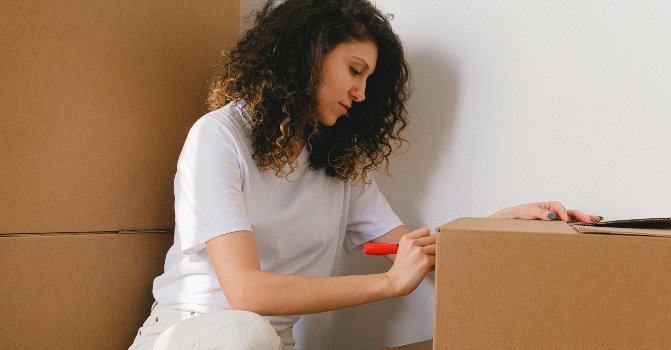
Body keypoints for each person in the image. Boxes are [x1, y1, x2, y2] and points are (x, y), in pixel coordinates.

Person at [128, 0, 601, 349]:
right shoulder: (219, 137)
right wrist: (388, 284)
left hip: (267, 344)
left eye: (369, 81)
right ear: (307, 56)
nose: (360, 92)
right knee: (245, 332)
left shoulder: (337, 165)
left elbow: (412, 250)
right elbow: (246, 291)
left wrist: (501, 222)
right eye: (355, 70)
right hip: (191, 333)